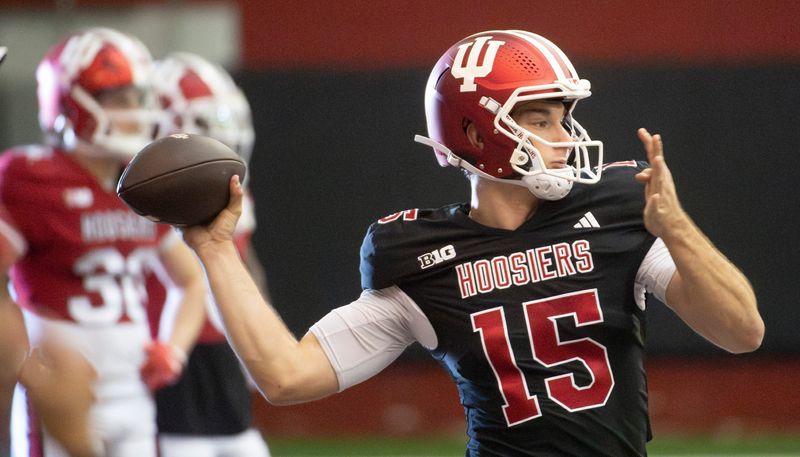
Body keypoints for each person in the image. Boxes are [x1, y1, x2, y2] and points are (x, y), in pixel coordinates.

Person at [180, 30, 765, 456]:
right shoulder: (423, 257)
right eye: (539, 120)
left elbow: (742, 332)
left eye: (563, 119)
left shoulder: (615, 208)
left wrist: (678, 227)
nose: (563, 138)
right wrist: (214, 249)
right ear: (472, 131)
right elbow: (284, 377)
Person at [0, 27, 207, 457]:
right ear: (70, 103)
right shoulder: (30, 179)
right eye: (120, 99)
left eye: (140, 98)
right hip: (63, 387)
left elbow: (191, 281)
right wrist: (21, 359)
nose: (135, 112)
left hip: (131, 391)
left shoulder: (140, 187)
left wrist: (173, 350)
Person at [146, 51, 270, 457]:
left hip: (221, 347)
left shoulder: (236, 193)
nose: (224, 136)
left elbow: (246, 265)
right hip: (167, 348)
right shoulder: (146, 194)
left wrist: (261, 329)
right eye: (205, 124)